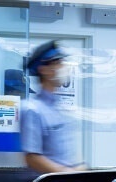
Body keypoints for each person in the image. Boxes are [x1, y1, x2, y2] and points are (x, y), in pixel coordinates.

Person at [21, 40, 84, 173]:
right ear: (43, 70)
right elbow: (32, 157)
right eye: (58, 63)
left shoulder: (61, 109)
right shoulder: (32, 109)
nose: (64, 67)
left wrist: (79, 169)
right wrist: (66, 174)